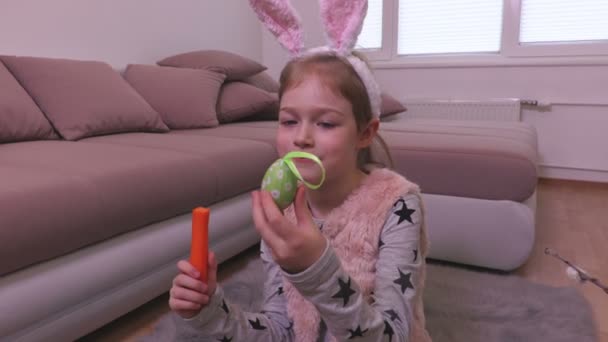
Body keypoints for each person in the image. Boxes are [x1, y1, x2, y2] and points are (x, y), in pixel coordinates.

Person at [169, 0, 431, 341]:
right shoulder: (283, 212)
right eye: (289, 121)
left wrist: (315, 269)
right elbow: (282, 331)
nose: (302, 137)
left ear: (365, 133)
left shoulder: (397, 205)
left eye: (325, 123)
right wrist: (208, 312)